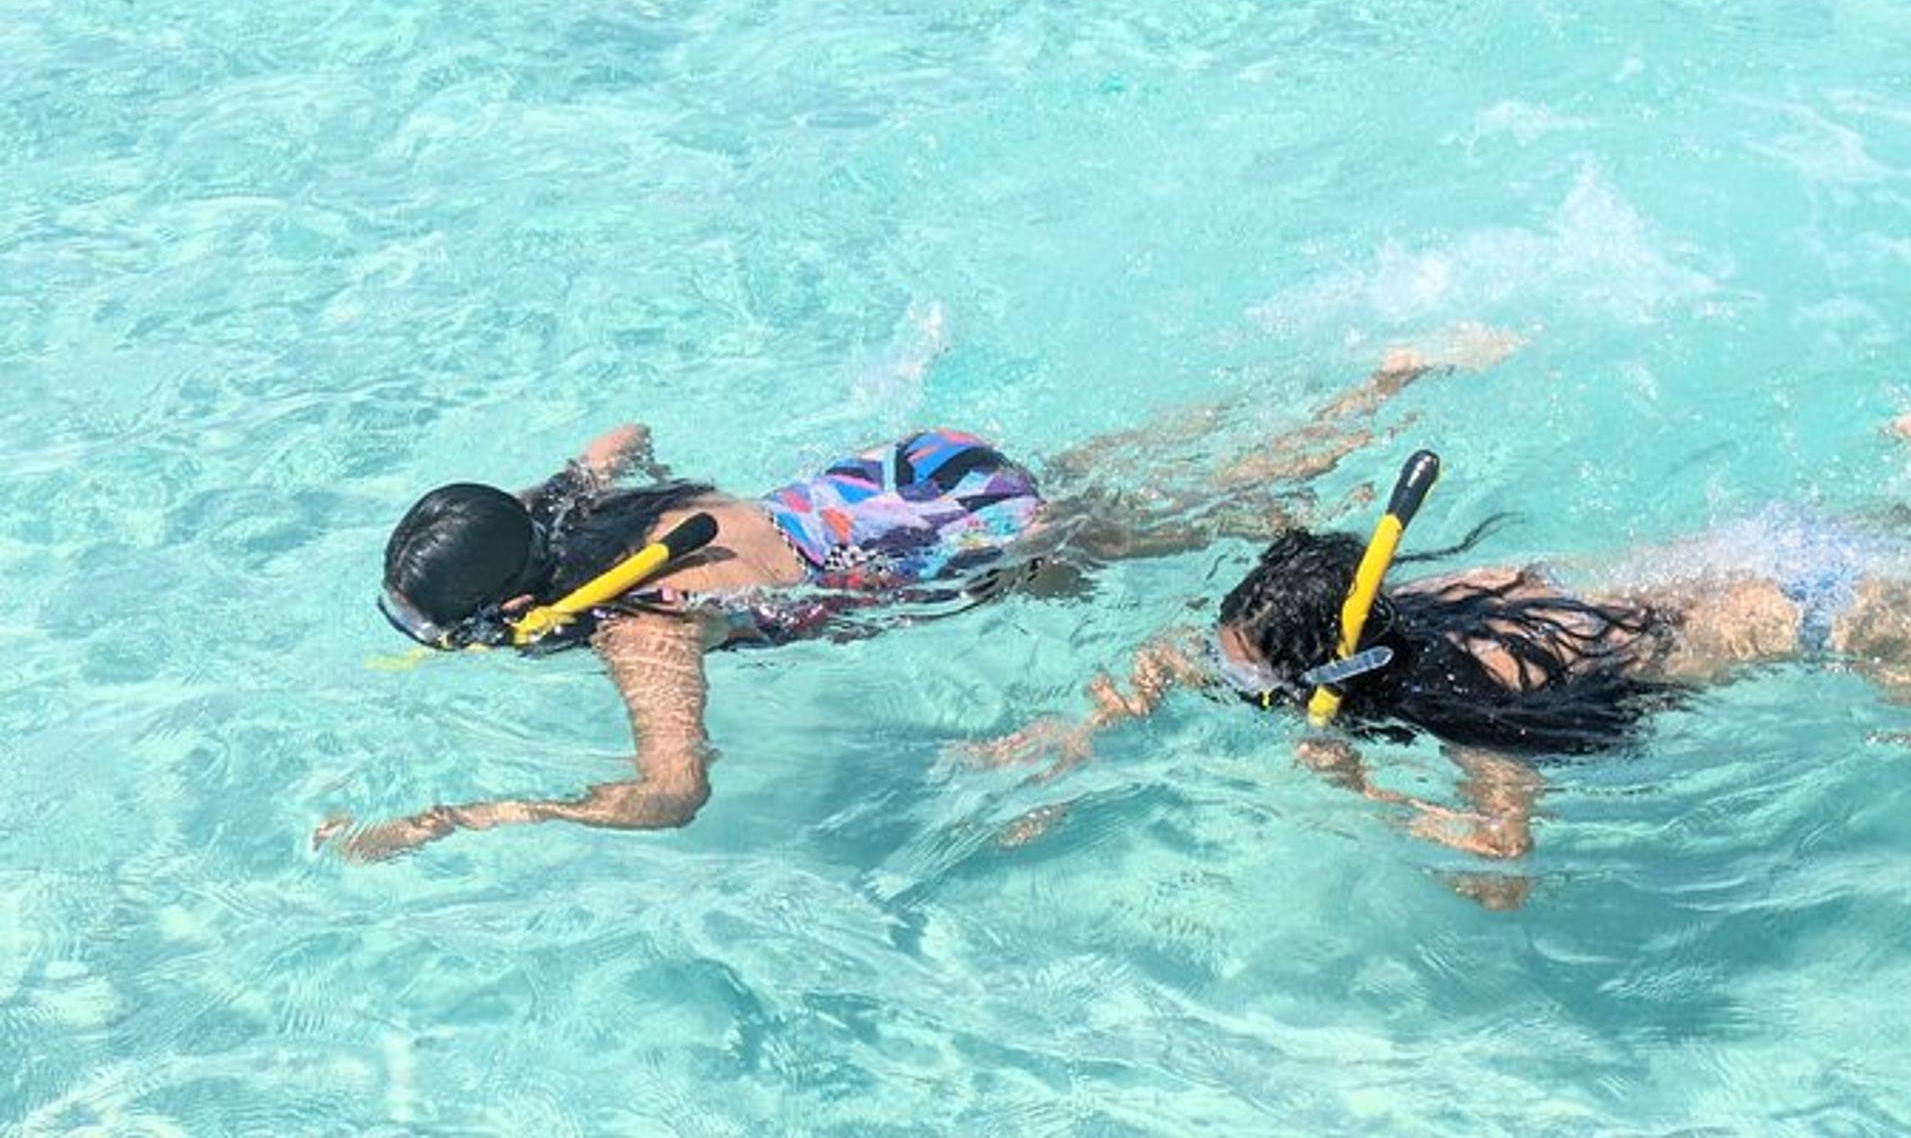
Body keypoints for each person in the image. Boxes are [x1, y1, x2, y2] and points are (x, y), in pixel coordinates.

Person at [320, 327, 1522, 860]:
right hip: (898, 477)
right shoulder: (575, 505)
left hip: (942, 554)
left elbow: (672, 794)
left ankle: (1387, 388)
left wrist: (466, 819)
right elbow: (624, 432)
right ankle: (1363, 382)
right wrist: (620, 476)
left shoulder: (638, 622)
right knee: (1132, 475)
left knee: (1186, 518)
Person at [965, 417, 1911, 891]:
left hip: (1835, 618)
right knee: (1898, 545)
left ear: (1328, 669)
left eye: (1248, 671)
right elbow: (1177, 654)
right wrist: (1077, 730)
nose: (1225, 671)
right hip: (1773, 544)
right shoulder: (1412, 607)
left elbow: (1499, 877)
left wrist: (1362, 800)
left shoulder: (1477, 697)